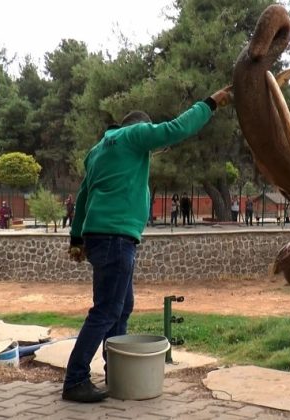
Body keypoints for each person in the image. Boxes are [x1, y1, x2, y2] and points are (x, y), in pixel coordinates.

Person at [62, 85, 231, 403]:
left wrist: (76, 238)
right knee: (106, 309)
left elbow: (84, 195)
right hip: (115, 237)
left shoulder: (98, 150)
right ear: (138, 127)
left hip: (101, 237)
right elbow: (176, 129)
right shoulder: (133, 135)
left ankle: (118, 373)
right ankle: (75, 380)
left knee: (121, 307)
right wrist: (210, 104)